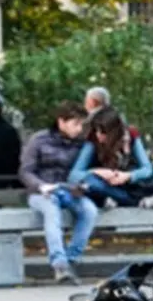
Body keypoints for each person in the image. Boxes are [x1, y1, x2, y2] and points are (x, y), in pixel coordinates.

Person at [20, 101, 98, 284]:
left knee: (89, 211)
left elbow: (87, 170)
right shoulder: (39, 140)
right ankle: (59, 264)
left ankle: (72, 259)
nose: (79, 129)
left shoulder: (82, 144)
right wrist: (41, 186)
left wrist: (83, 186)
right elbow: (25, 171)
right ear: (61, 122)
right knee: (52, 211)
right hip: (41, 192)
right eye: (75, 124)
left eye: (81, 124)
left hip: (69, 190)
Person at [69, 106, 153, 209]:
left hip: (132, 185)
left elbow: (147, 169)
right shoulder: (93, 141)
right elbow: (74, 175)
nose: (98, 135)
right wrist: (98, 172)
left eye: (103, 132)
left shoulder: (131, 136)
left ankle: (131, 201)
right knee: (92, 183)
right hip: (110, 187)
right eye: (96, 131)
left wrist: (128, 176)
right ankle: (137, 202)